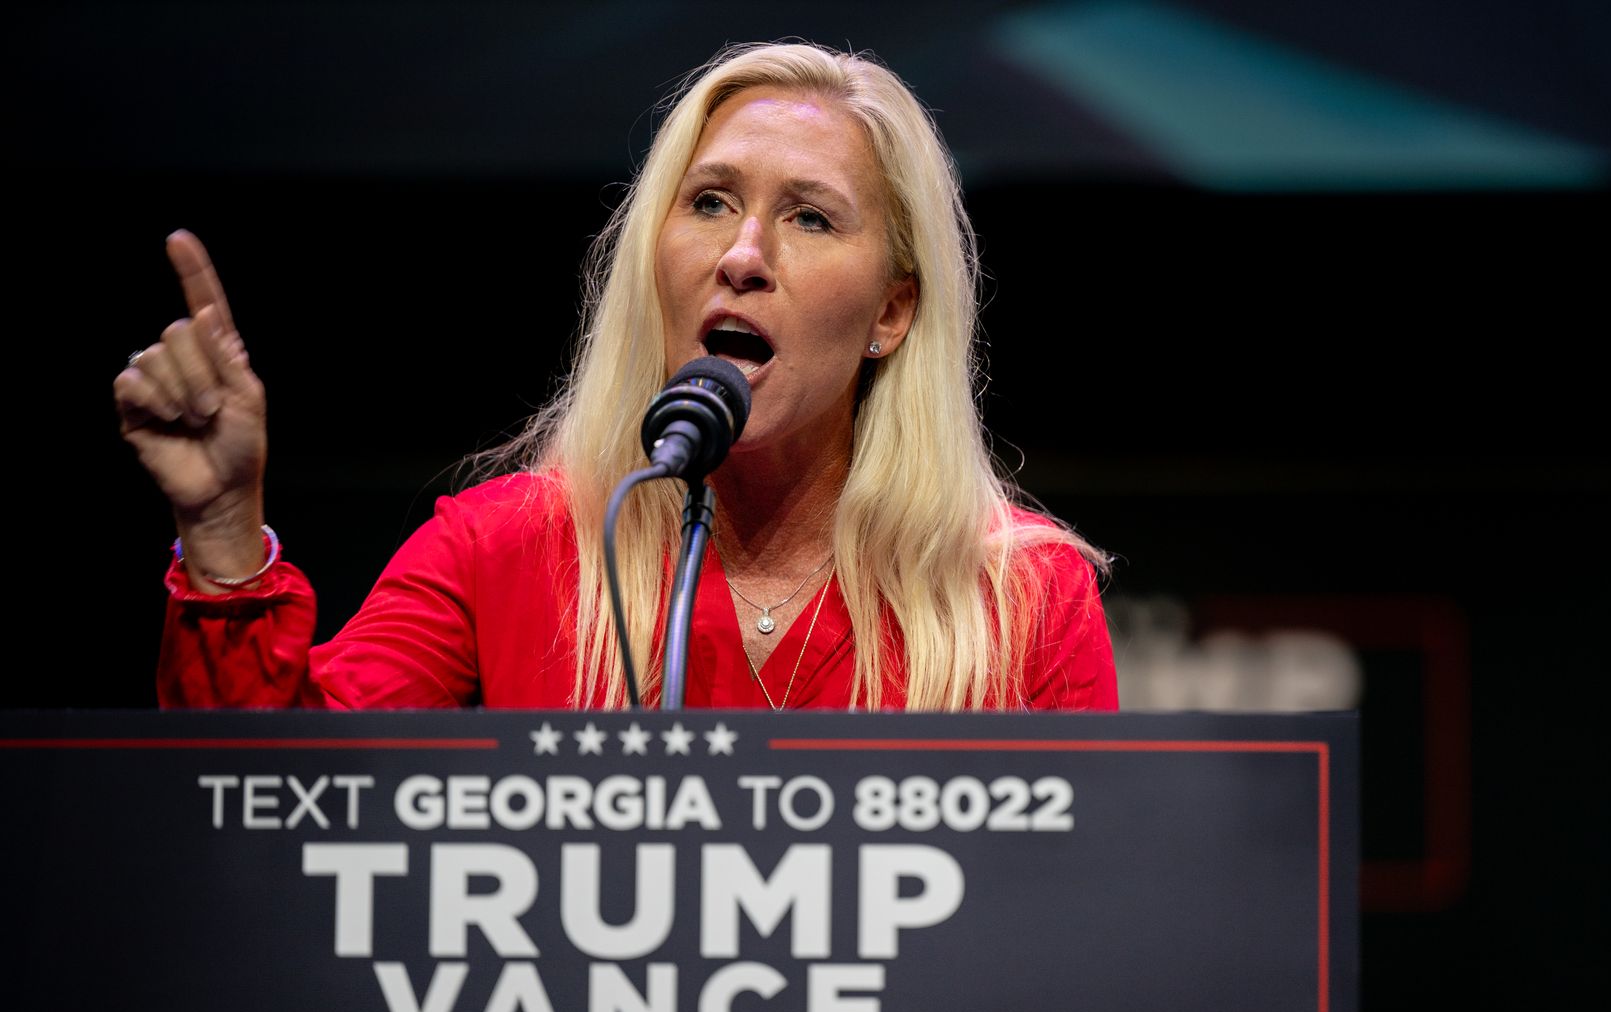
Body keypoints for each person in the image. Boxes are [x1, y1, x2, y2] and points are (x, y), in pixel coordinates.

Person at [114, 42, 1115, 711]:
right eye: (712, 201)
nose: (743, 254)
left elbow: (1090, 922)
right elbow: (276, 815)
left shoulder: (1018, 596)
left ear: (892, 312)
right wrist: (220, 532)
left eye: (811, 217)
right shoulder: (502, 551)